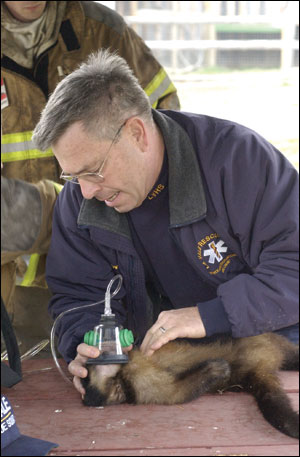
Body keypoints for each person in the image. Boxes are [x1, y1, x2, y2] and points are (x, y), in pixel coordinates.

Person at [32, 49, 299, 397]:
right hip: (171, 384)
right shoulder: (79, 198)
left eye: (94, 170)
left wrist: (210, 316)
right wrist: (89, 347)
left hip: (272, 360)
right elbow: (77, 295)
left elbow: (294, 266)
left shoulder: (238, 161)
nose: (87, 190)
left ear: (137, 134)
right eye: (72, 175)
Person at [1, 1, 180, 340]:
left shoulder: (103, 30)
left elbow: (163, 130)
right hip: (18, 293)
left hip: (115, 275)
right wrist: (53, 212)